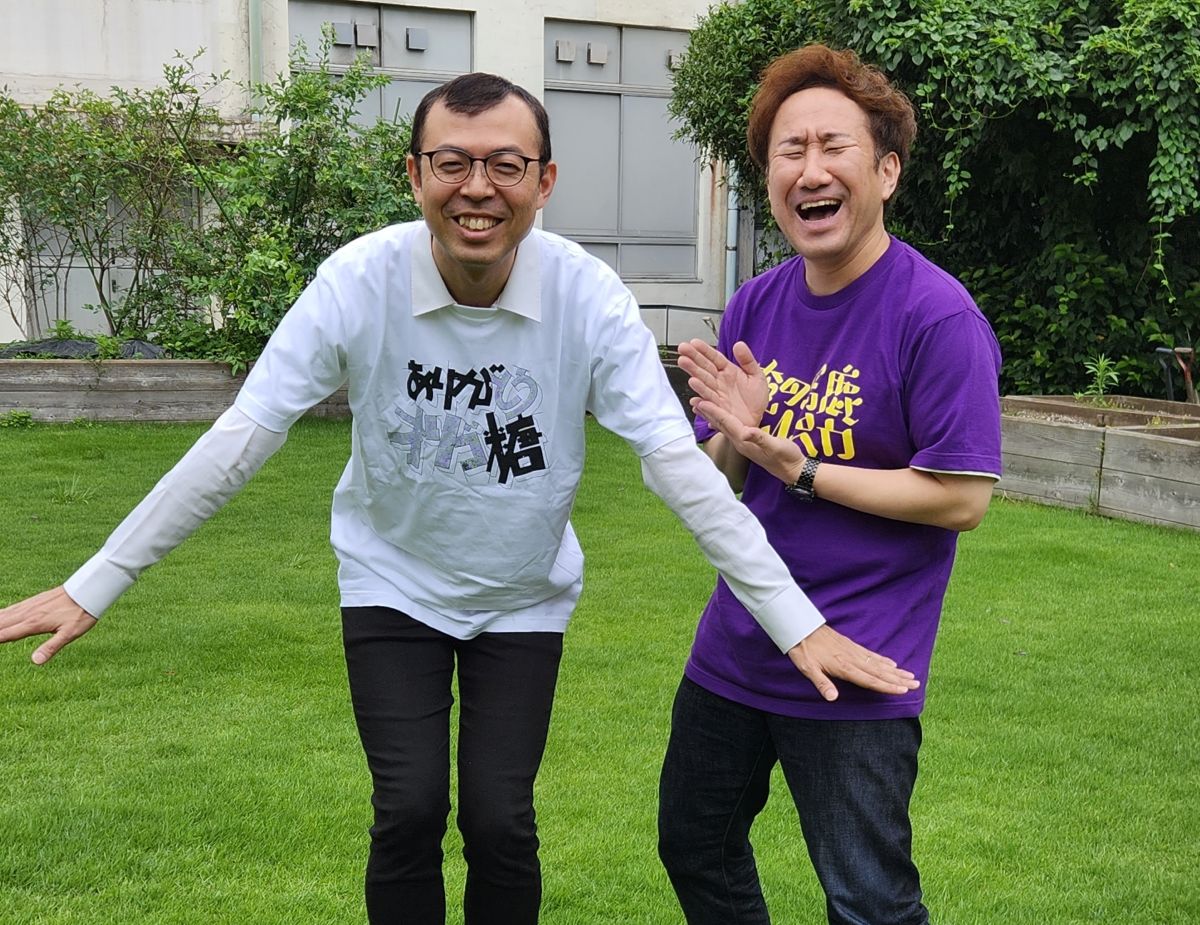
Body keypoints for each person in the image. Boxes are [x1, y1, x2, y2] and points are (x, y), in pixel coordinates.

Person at [0, 73, 917, 925]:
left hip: (522, 595)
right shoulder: (358, 282)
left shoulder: (588, 298)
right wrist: (97, 580)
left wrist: (797, 623)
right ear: (415, 176)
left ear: (544, 181)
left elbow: (678, 467)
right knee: (406, 810)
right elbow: (242, 437)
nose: (478, 187)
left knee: (499, 819)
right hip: (390, 582)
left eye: (506, 166)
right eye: (452, 163)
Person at [657, 45, 1003, 925]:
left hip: (859, 659)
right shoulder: (755, 304)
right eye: (789, 150)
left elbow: (961, 498)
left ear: (886, 171)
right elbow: (720, 480)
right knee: (695, 844)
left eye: (833, 146)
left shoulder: (937, 316)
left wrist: (799, 466)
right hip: (740, 641)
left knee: (868, 899)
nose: (809, 169)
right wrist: (736, 440)